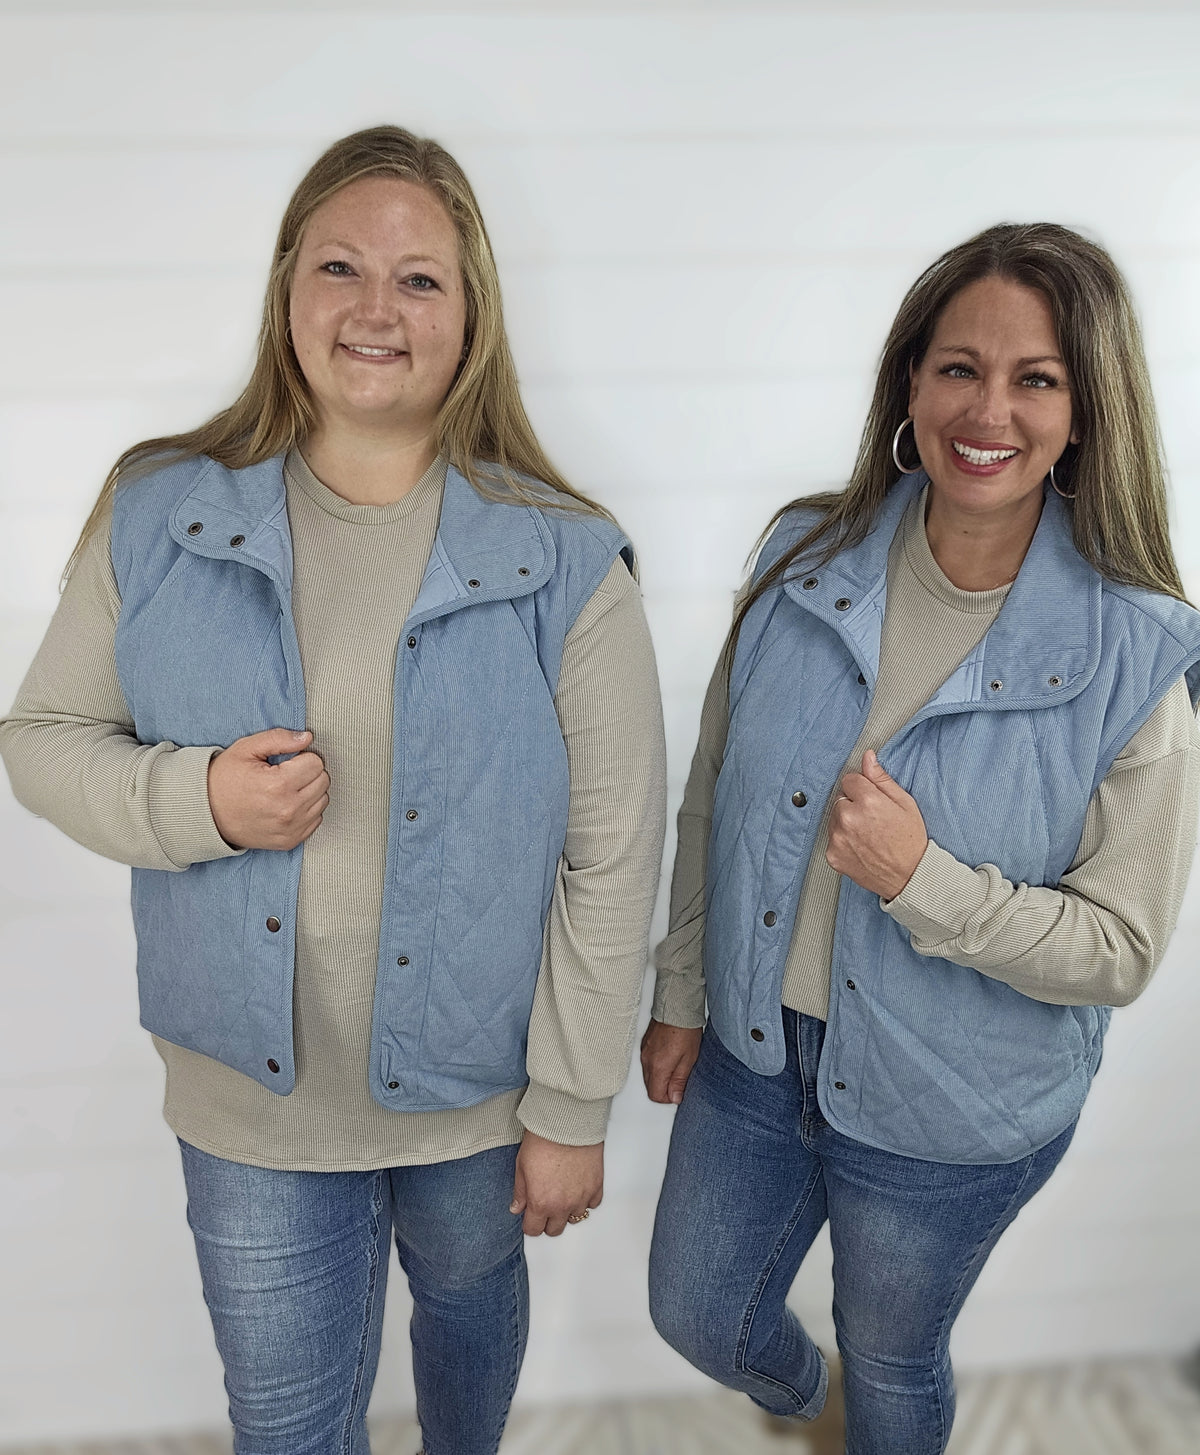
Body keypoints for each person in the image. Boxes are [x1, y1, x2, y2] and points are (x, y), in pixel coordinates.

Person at [0, 126, 666, 1455]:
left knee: (465, 1370)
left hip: (481, 1100)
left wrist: (571, 1106)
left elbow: (614, 849)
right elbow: (44, 735)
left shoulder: (565, 556)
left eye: (420, 279)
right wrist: (196, 802)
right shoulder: (158, 509)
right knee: (289, 1429)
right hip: (251, 1111)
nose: (376, 307)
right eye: (341, 266)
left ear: (471, 310)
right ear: (285, 288)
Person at [641, 222, 1200, 1455]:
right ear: (910, 382)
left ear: (1084, 410)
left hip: (954, 1103)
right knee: (695, 1312)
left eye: (1035, 378)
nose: (987, 407)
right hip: (753, 1045)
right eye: (959, 367)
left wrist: (923, 881)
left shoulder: (1138, 654)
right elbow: (713, 790)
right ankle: (812, 1415)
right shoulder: (803, 558)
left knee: (894, 1360)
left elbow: (1120, 948)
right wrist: (679, 988)